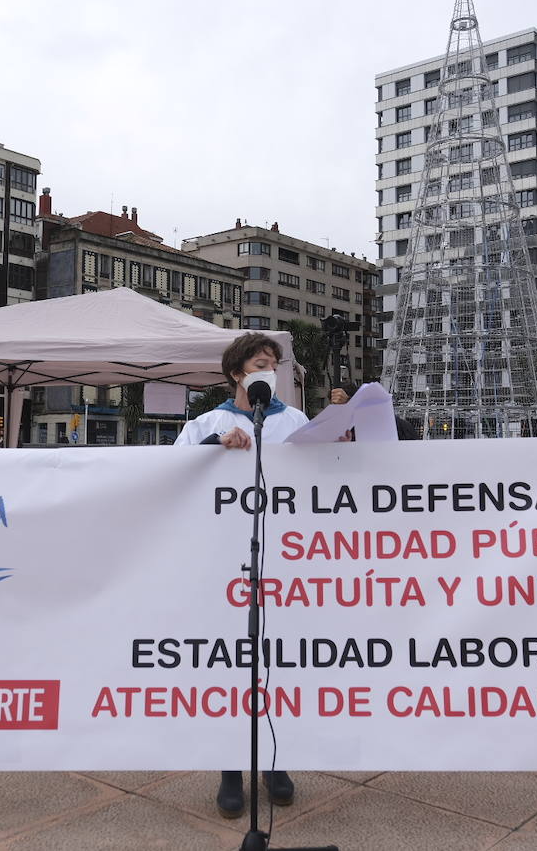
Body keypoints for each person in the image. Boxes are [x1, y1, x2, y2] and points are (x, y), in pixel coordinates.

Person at [175, 332, 308, 818]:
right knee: (230, 665)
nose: (267, 371)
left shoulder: (294, 421)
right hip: (220, 560)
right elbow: (172, 471)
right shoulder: (207, 422)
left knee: (278, 661)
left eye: (273, 364)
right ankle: (231, 768)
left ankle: (275, 760)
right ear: (236, 373)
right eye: (258, 363)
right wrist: (214, 447)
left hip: (285, 560)